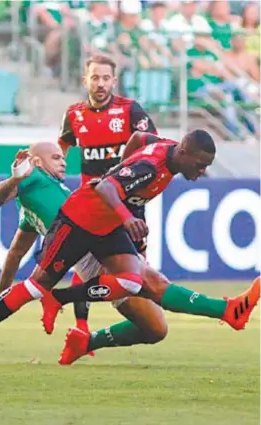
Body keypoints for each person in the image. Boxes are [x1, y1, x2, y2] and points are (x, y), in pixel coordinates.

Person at [0, 130, 260, 366]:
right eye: (201, 164)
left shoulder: (166, 148)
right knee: (35, 286)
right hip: (77, 221)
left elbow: (139, 137)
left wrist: (120, 169)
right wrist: (127, 215)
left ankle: (228, 311)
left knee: (133, 280)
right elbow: (105, 187)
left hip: (106, 225)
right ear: (185, 152)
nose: (203, 171)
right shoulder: (150, 167)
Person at [58, 54, 157, 334]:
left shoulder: (130, 110)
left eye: (105, 78)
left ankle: (144, 318)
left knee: (138, 266)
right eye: (95, 78)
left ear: (114, 80)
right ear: (85, 80)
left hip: (125, 203)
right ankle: (80, 328)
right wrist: (55, 168)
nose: (100, 84)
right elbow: (62, 146)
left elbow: (152, 146)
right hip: (91, 204)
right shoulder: (75, 113)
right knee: (84, 263)